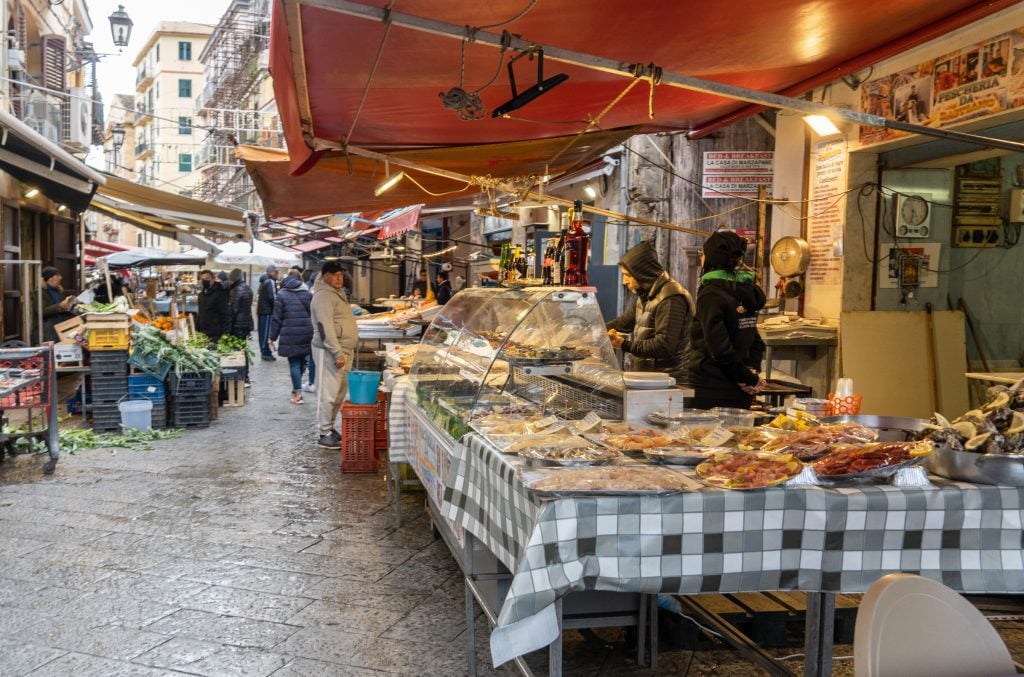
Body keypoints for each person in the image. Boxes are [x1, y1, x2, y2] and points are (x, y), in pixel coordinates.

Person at [682, 230, 767, 410]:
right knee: (738, 437)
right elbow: (755, 341)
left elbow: (720, 350)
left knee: (705, 437)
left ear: (711, 257)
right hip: (740, 390)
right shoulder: (746, 290)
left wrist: (749, 378)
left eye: (702, 254)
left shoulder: (711, 294)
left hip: (712, 387)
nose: (701, 258)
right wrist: (750, 372)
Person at [605, 240, 693, 383]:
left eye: (628, 275)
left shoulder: (671, 298)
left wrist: (623, 344)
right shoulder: (645, 296)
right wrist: (594, 332)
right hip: (651, 377)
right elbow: (622, 323)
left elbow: (664, 345)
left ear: (642, 273)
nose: (624, 281)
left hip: (670, 380)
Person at [310, 261, 359, 449]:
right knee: (328, 393)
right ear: (324, 276)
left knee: (339, 393)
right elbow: (325, 327)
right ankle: (324, 433)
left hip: (343, 350)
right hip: (329, 351)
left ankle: (329, 427)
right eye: (334, 274)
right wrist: (337, 352)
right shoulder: (323, 296)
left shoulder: (336, 293)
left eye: (340, 274)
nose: (339, 278)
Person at [270, 271, 314, 405]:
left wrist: (272, 337)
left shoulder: (281, 295)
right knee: (301, 362)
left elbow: (277, 318)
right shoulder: (308, 294)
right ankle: (297, 389)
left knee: (294, 363)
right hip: (306, 331)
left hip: (289, 332)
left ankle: (298, 394)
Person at [227, 268, 255, 385]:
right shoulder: (247, 288)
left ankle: (243, 376)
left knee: (239, 351)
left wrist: (228, 326)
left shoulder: (237, 290)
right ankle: (244, 376)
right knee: (242, 350)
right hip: (245, 324)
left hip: (238, 325)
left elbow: (234, 310)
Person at [40, 266, 74, 343]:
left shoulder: (59, 291)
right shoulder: (40, 293)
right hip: (49, 330)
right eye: (57, 276)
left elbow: (63, 309)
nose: (61, 278)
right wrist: (60, 306)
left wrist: (71, 304)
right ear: (50, 278)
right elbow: (42, 311)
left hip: (63, 327)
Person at [196, 269, 229, 344]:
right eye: (202, 279)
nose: (205, 281)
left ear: (213, 279)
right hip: (203, 332)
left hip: (215, 334)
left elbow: (225, 315)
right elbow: (200, 312)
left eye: (207, 278)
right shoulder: (201, 295)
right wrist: (197, 328)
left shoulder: (220, 293)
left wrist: (225, 334)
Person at [256, 265, 279, 360]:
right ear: (271, 272)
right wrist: (277, 308)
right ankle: (266, 352)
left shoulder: (264, 281)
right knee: (266, 333)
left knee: (262, 332)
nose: (278, 274)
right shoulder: (270, 282)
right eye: (276, 272)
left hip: (262, 310)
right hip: (267, 311)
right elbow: (273, 297)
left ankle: (264, 351)